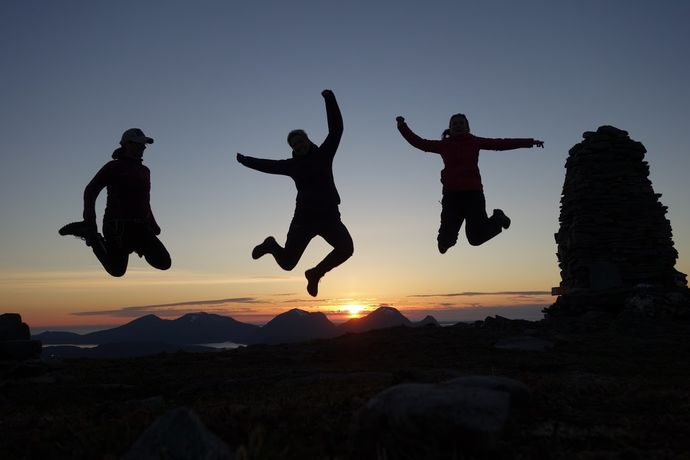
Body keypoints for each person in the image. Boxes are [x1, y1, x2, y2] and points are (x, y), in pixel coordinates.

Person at [237, 89, 353, 297]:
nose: (299, 145)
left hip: (329, 217)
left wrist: (330, 99)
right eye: (294, 144)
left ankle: (315, 273)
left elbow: (337, 129)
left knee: (346, 249)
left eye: (301, 141)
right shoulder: (292, 166)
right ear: (292, 148)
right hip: (304, 220)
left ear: (308, 140)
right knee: (288, 264)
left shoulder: (324, 154)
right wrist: (246, 160)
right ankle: (271, 245)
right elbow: (269, 166)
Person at [396, 113, 544, 254]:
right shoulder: (444, 145)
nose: (458, 126)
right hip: (451, 197)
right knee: (445, 240)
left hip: (473, 195)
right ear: (450, 127)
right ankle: (445, 243)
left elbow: (500, 143)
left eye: (461, 123)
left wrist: (529, 142)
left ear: (467, 127)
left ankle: (498, 218)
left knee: (476, 238)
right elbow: (419, 143)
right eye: (454, 123)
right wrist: (402, 126)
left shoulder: (474, 141)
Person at [59, 128, 171, 276]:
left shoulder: (145, 171)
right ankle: (91, 236)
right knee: (117, 270)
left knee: (164, 262)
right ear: (127, 144)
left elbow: (145, 200)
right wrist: (90, 221)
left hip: (141, 227)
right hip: (117, 226)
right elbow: (90, 191)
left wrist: (153, 224)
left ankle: (135, 244)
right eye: (140, 144)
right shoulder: (113, 167)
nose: (144, 147)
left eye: (144, 144)